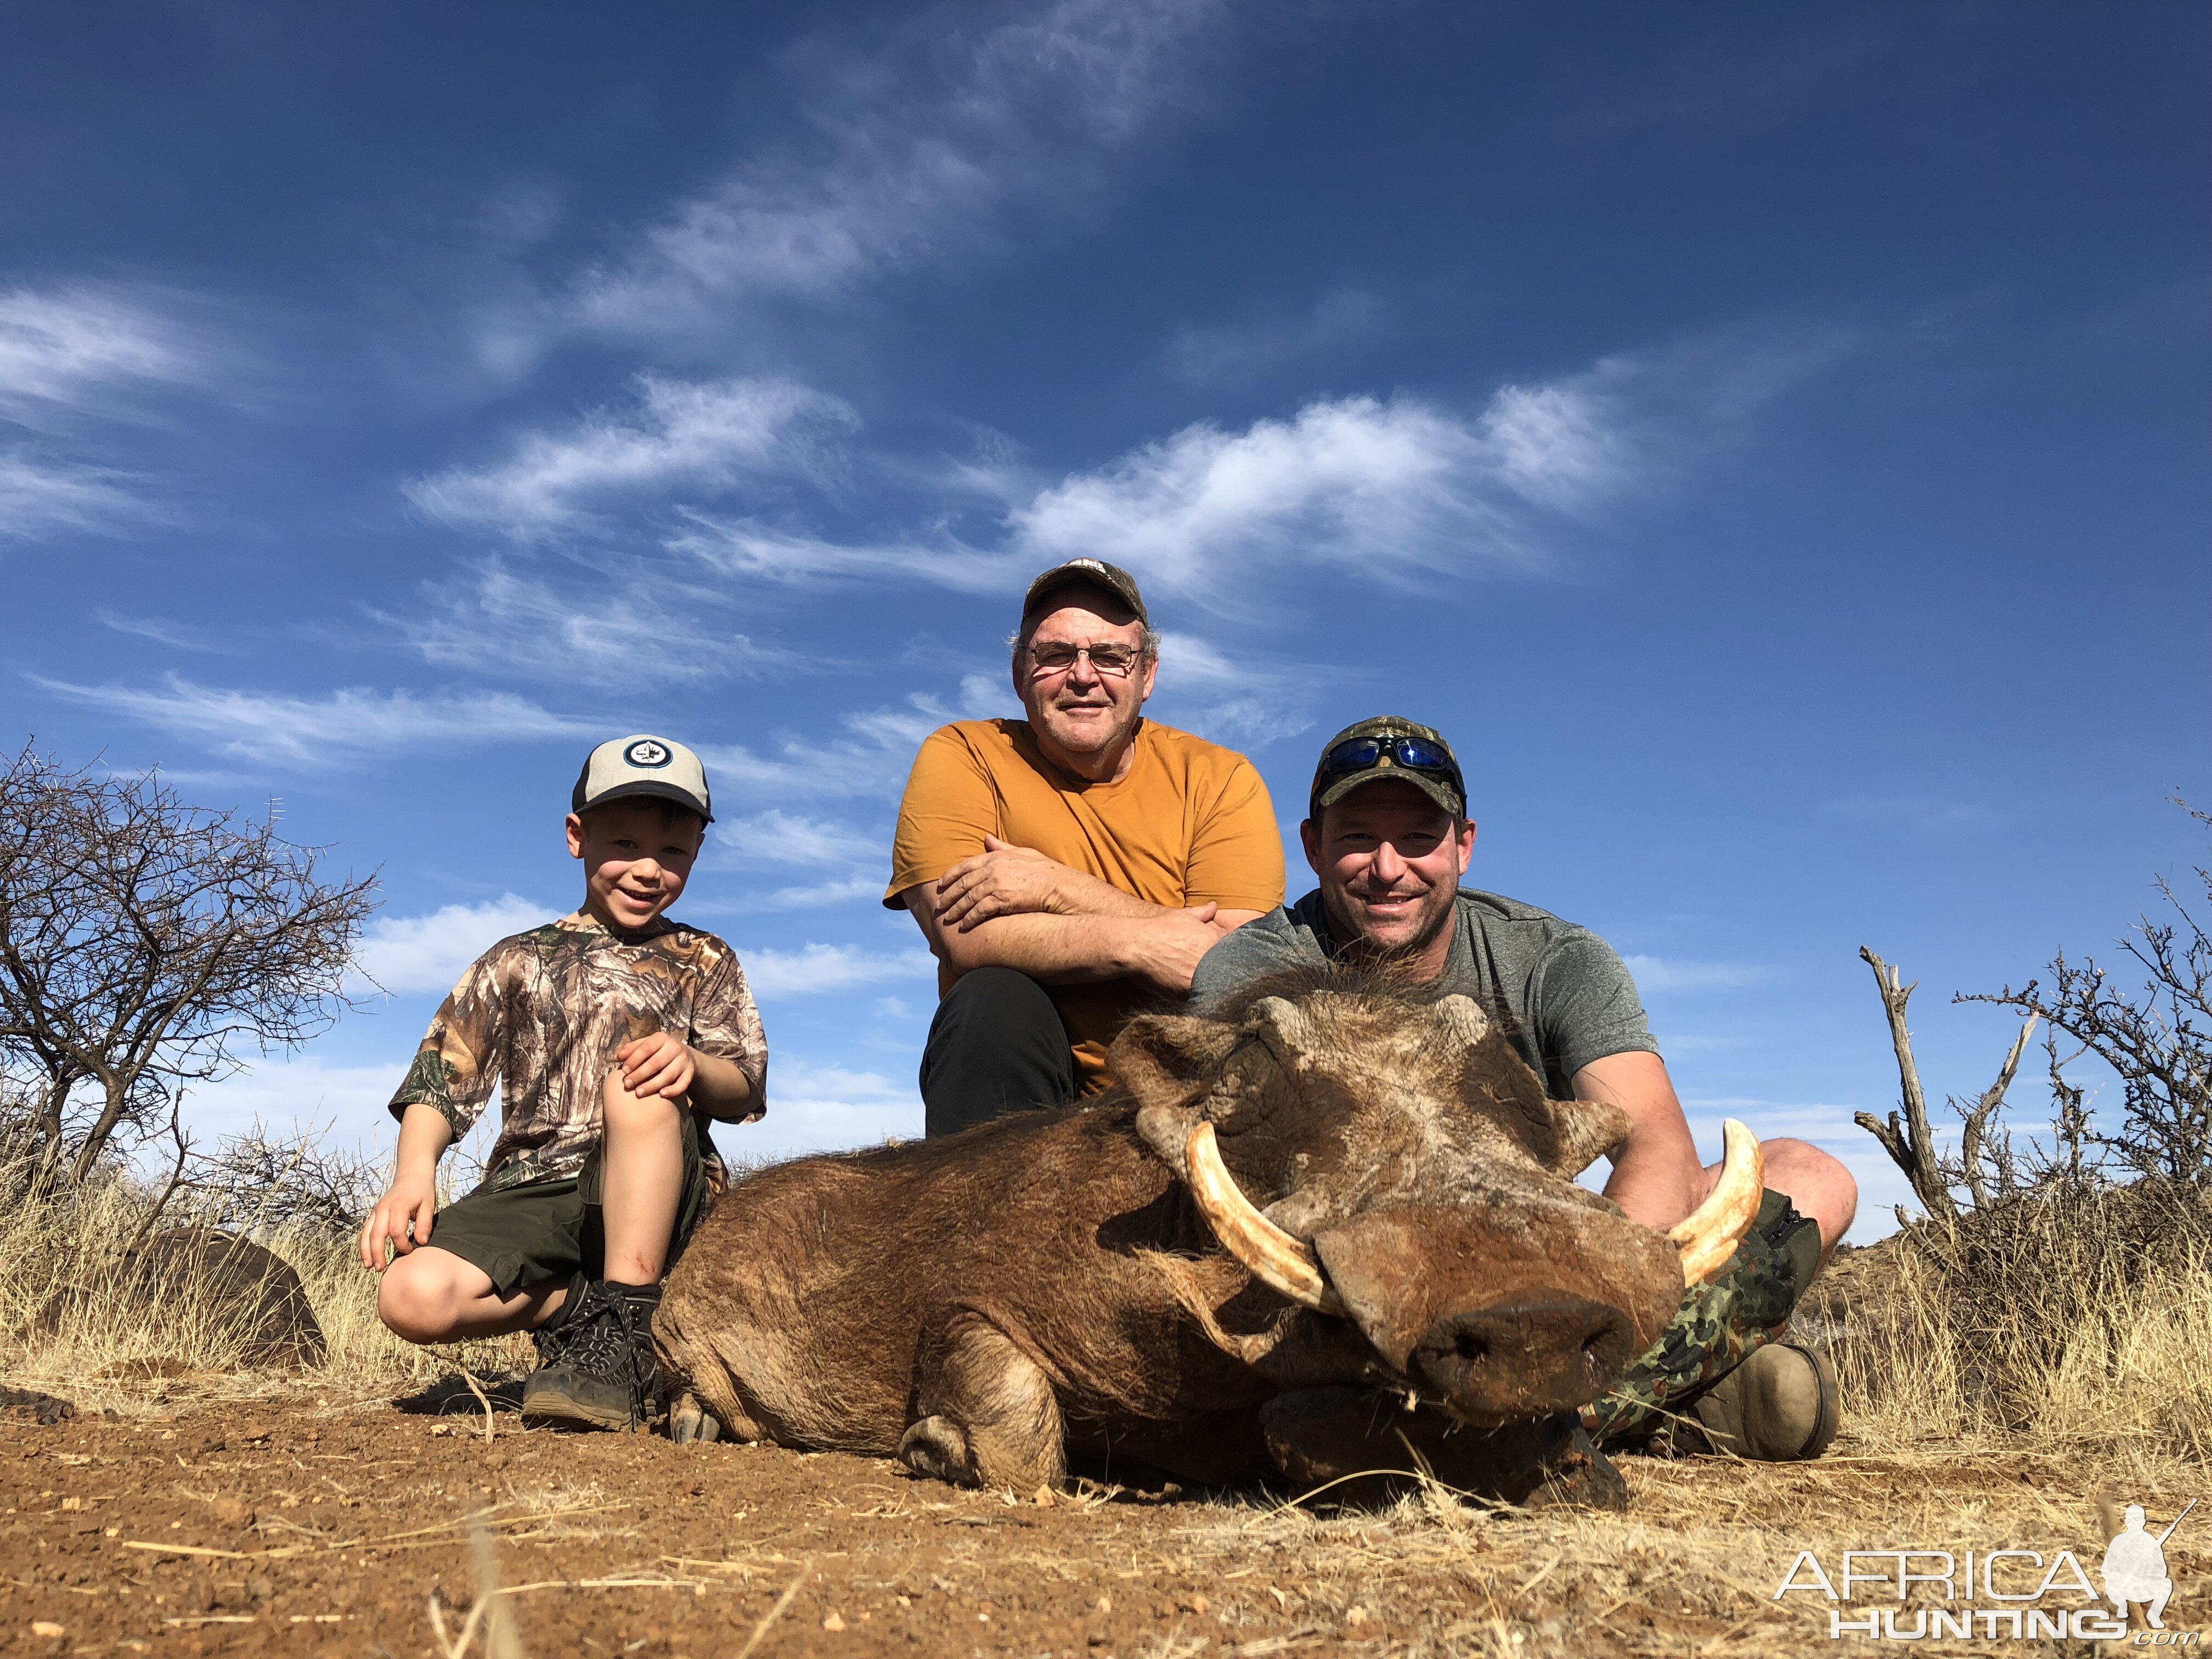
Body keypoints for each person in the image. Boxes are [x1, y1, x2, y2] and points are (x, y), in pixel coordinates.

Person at [1190, 715, 1860, 1461]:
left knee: (1813, 1177)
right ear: (1313, 847)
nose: (1388, 867)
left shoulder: (1555, 959)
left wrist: (1585, 1295)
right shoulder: (1247, 968)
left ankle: (1492, 1419)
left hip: (1544, 1260)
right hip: (1371, 1273)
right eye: (1356, 837)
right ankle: (1647, 1403)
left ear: (1463, 845)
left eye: (1418, 836)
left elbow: (1658, 1143)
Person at [359, 735, 766, 1432]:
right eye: (625, 843)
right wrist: (412, 1172)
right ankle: (588, 1312)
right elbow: (441, 1078)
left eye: (673, 851)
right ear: (578, 838)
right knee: (410, 1295)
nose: (647, 869)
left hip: (665, 1194)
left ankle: (632, 1339)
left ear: (698, 850)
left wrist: (692, 1067)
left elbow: (747, 1088)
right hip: (539, 1190)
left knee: (637, 1081)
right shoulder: (516, 959)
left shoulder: (707, 958)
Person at [885, 558, 1285, 1135]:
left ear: (1147, 675)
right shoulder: (964, 754)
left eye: (1109, 657)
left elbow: (1241, 967)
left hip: (1190, 1085)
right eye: (1054, 655)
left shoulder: (1221, 779)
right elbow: (964, 935)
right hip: (1026, 1089)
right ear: (1020, 674)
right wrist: (1147, 944)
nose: (1082, 676)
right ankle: (975, 1215)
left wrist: (1056, 887)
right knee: (990, 1001)